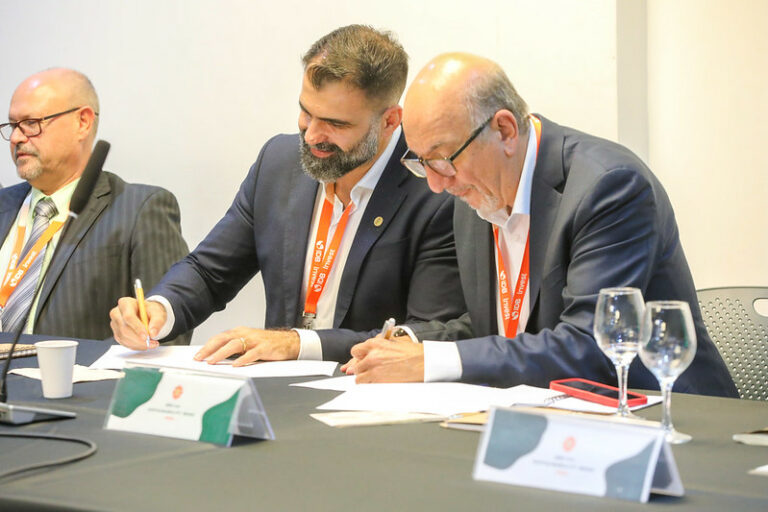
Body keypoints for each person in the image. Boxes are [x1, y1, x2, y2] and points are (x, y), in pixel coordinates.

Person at [345, 53, 738, 398]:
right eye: (422, 163)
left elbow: (589, 346)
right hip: (546, 414)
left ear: (504, 130)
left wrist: (432, 361)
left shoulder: (608, 186)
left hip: (663, 414)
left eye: (443, 159)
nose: (435, 184)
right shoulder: (473, 189)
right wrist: (410, 345)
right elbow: (497, 326)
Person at [109, 25, 465, 363]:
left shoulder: (435, 189)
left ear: (389, 121)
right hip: (278, 390)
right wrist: (159, 309)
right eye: (306, 113)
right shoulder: (279, 163)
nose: (311, 136)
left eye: (335, 123)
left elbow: (425, 334)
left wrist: (298, 344)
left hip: (371, 393)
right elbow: (209, 272)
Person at [0, 68, 190, 342]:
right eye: (12, 126)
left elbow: (165, 335)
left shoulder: (139, 210)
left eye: (31, 123)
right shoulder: (4, 206)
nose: (17, 138)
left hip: (79, 371)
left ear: (83, 122)